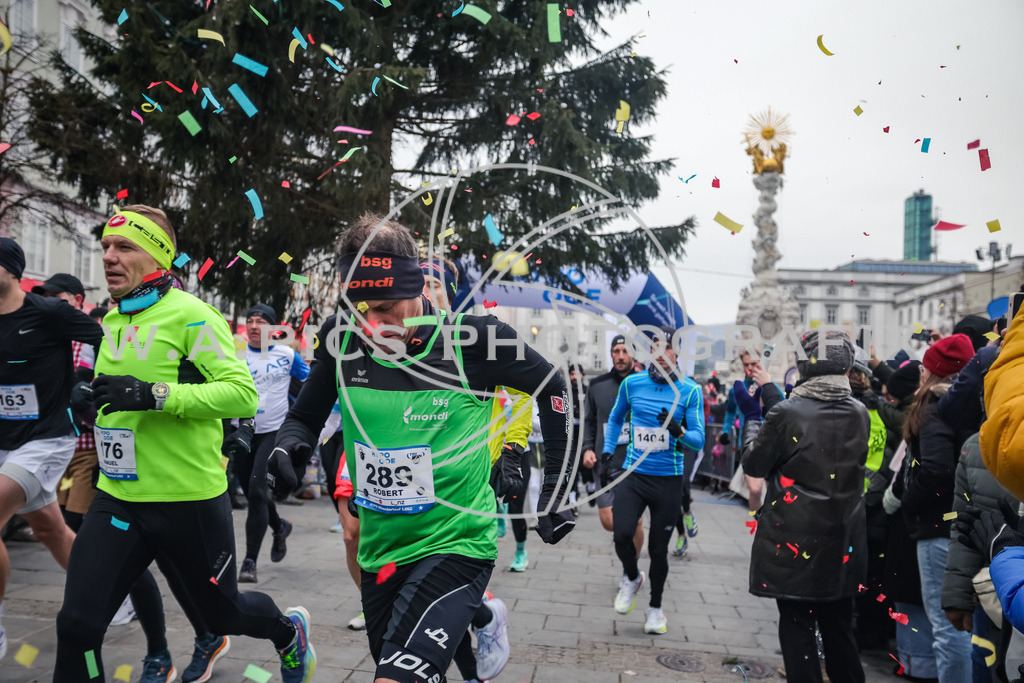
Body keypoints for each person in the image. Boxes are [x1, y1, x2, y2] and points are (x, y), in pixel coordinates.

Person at [270, 213, 574, 683]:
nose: (372, 327)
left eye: (386, 308)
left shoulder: (474, 340)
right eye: (359, 309)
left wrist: (556, 483)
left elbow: (555, 389)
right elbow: (306, 416)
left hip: (457, 545)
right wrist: (289, 446)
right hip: (381, 554)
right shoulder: (340, 337)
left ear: (417, 290)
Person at [53, 205, 314, 682]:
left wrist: (152, 394)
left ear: (157, 258)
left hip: (188, 499)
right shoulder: (114, 320)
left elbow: (241, 393)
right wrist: (88, 394)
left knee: (223, 615)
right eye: (106, 247)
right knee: (76, 626)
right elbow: (124, 394)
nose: (109, 257)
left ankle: (287, 632)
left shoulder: (192, 315)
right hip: (120, 497)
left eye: (124, 247)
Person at [737, 329, 868, 683]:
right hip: (843, 543)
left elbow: (754, 465)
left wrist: (752, 419)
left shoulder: (787, 413)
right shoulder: (860, 412)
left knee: (798, 632)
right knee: (840, 632)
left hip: (795, 542)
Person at [0, 241, 102, 663]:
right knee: (50, 531)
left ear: (9, 270)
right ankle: (106, 594)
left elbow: (108, 340)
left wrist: (90, 386)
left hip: (48, 437)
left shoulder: (49, 313)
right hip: (4, 441)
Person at [603, 326, 705, 634]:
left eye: (668, 349)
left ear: (677, 354)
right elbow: (616, 417)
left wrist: (679, 431)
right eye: (656, 348)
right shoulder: (633, 384)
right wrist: (608, 449)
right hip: (634, 475)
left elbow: (699, 440)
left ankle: (655, 610)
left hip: (668, 481)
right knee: (621, 534)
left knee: (659, 551)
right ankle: (632, 577)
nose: (661, 353)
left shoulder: (690, 391)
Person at [887, 333, 975, 683]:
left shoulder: (934, 406)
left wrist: (910, 499)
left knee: (946, 625)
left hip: (937, 528)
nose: (920, 374)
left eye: (925, 368)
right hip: (963, 524)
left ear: (934, 373)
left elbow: (937, 470)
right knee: (961, 622)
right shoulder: (970, 403)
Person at [234, 303, 309, 584]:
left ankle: (249, 561)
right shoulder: (236, 351)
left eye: (261, 321)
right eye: (250, 320)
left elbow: (312, 382)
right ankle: (280, 526)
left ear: (273, 327)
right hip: (242, 431)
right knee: (256, 492)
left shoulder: (287, 354)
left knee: (256, 491)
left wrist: (301, 419)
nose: (254, 326)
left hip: (273, 432)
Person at [581, 335, 643, 556]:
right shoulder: (597, 385)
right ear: (611, 354)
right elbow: (589, 420)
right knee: (609, 522)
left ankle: (631, 572)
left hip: (634, 465)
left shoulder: (644, 383)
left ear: (633, 355)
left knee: (633, 521)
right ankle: (628, 549)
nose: (621, 356)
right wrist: (587, 448)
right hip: (605, 464)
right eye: (616, 351)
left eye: (625, 351)